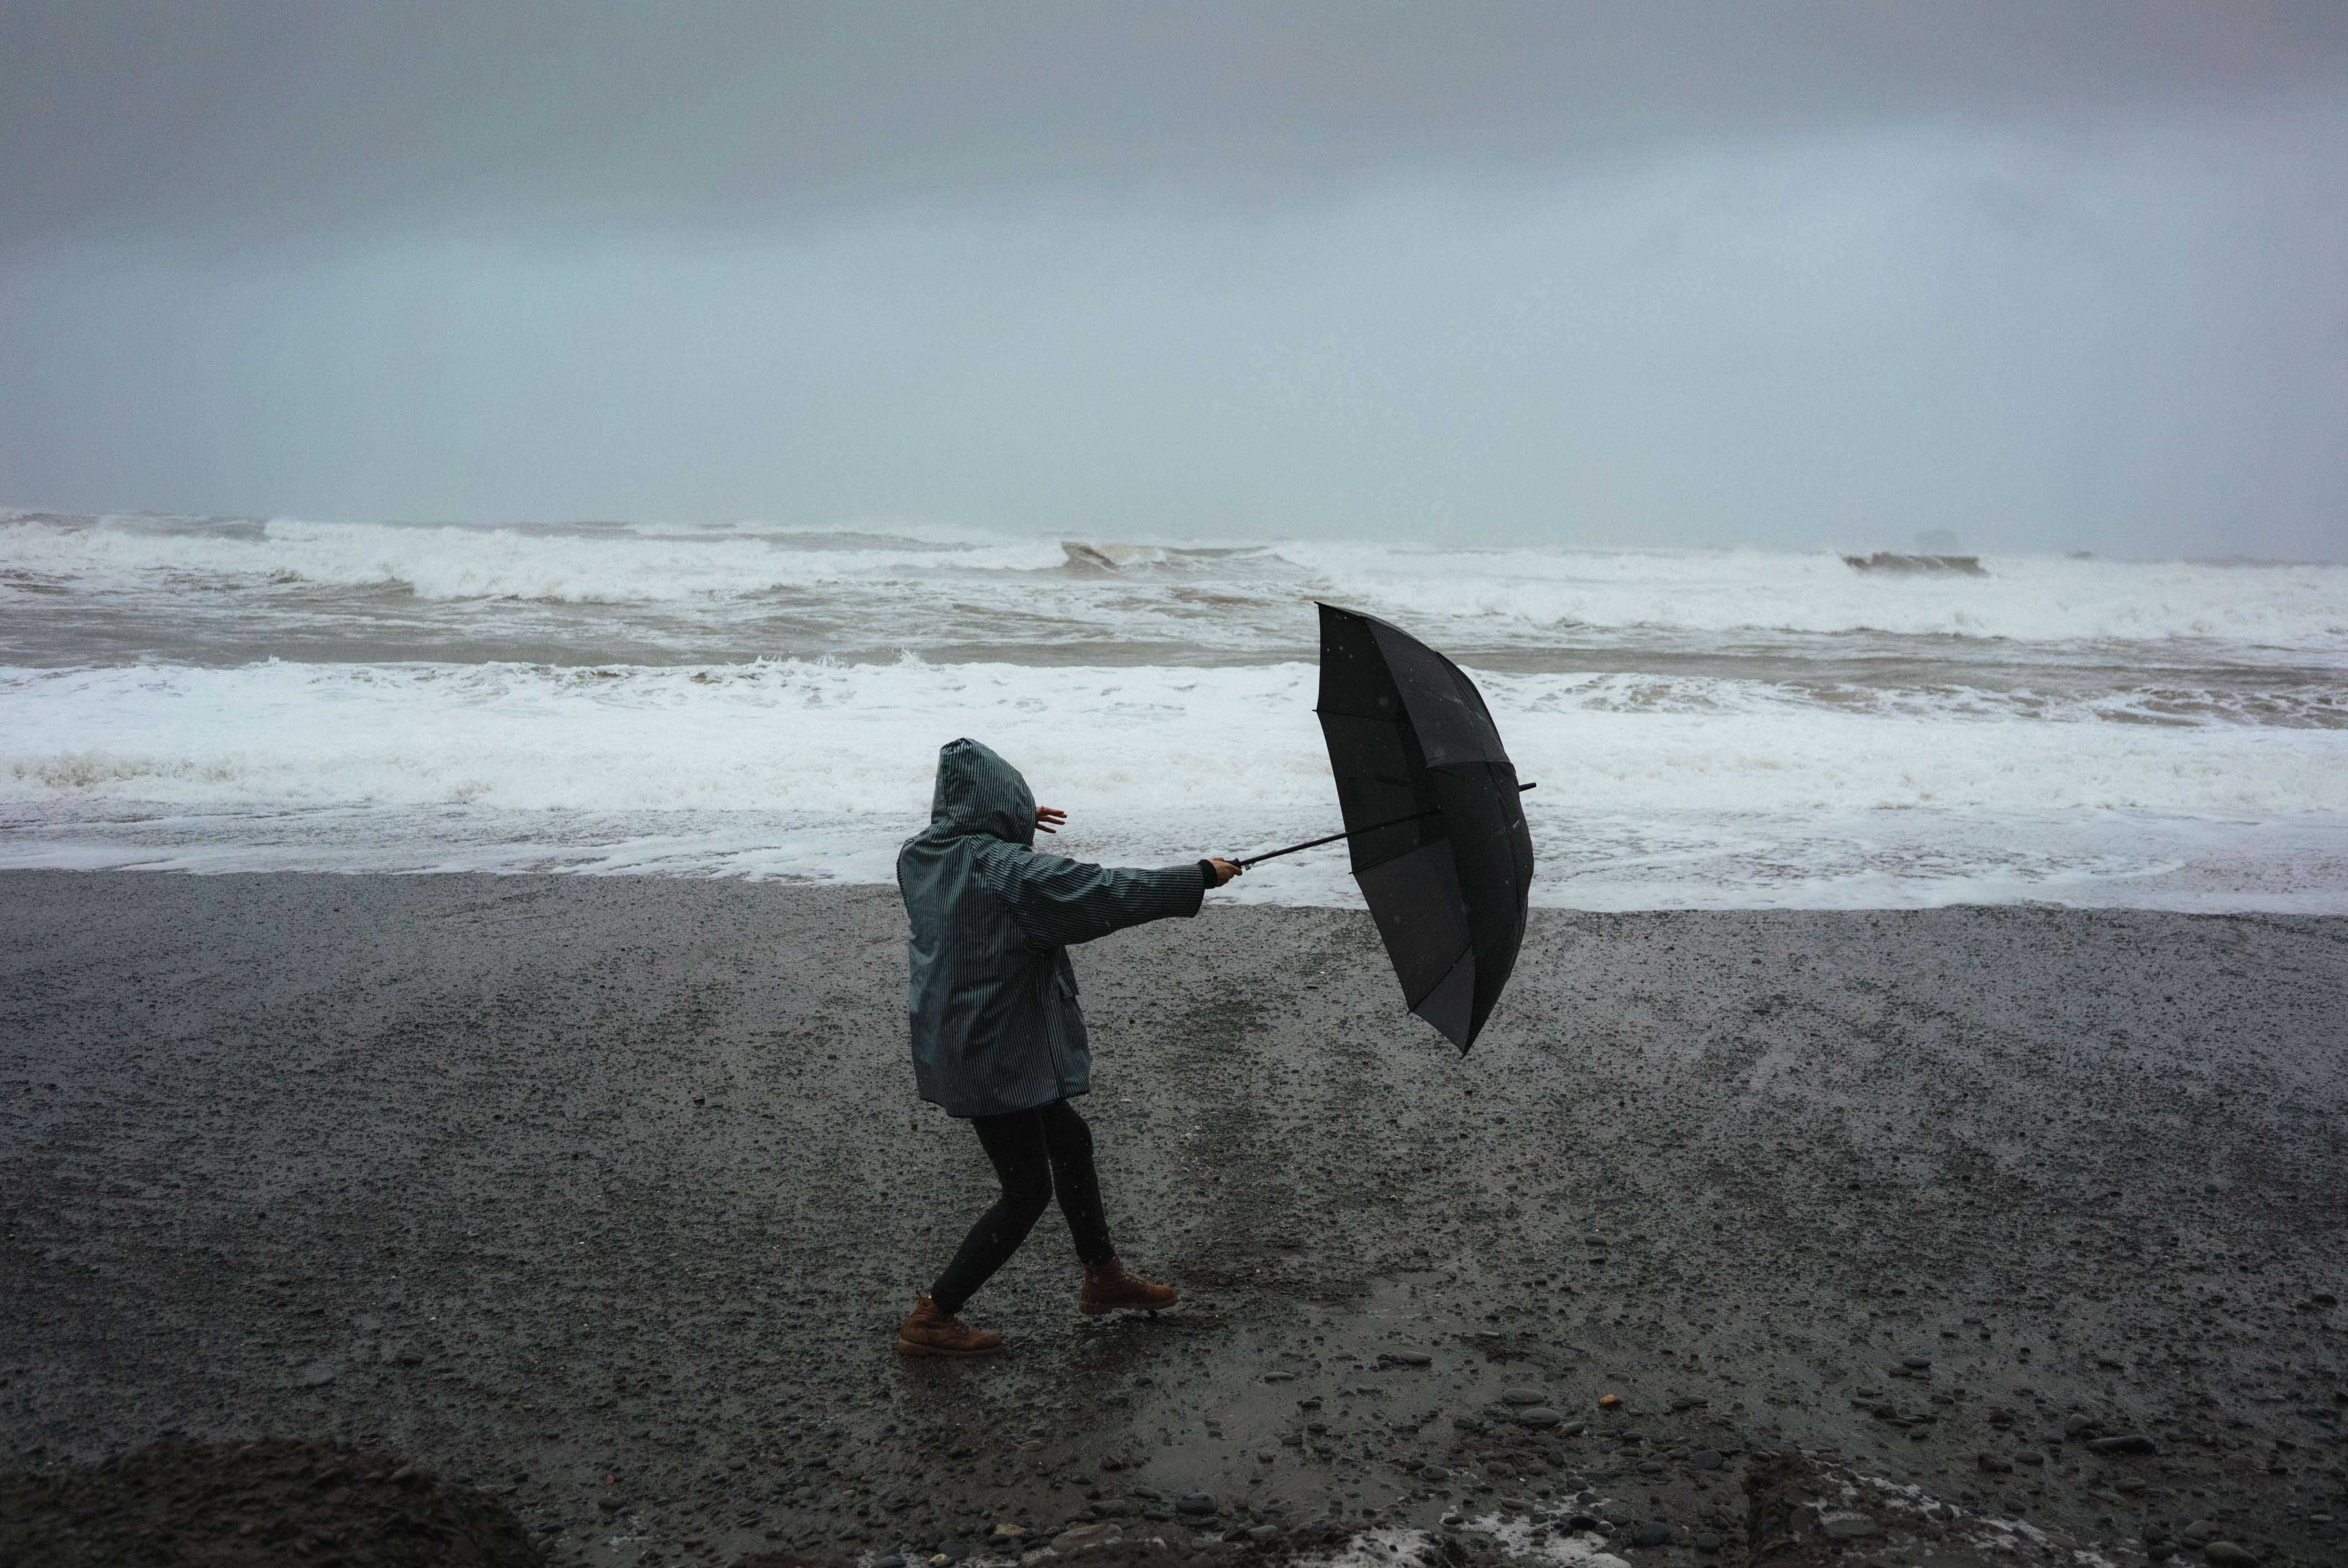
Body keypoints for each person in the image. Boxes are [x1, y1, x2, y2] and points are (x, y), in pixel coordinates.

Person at [893, 738, 1242, 1357]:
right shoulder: (1008, 871)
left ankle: (1103, 1276)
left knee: (1069, 1138)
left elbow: (977, 849)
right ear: (1001, 806)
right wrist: (1197, 878)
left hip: (963, 1036)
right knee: (1026, 1189)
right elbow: (1102, 892)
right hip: (994, 1050)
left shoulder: (921, 856)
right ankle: (935, 1314)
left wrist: (1009, 822)